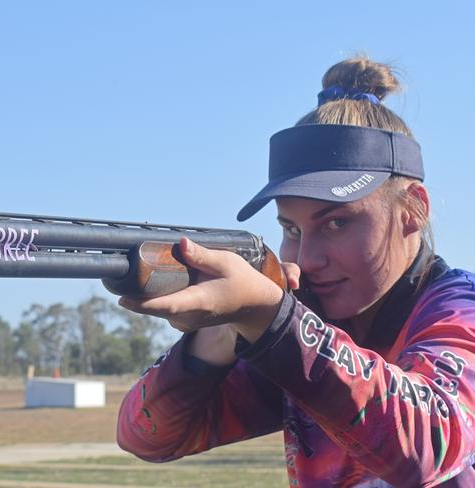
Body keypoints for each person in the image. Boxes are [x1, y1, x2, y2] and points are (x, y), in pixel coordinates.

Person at [115, 57, 475, 487]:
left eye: (337, 222)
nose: (307, 258)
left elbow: (428, 448)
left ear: (413, 210)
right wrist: (221, 335)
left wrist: (272, 318)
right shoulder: (305, 324)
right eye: (290, 227)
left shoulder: (458, 310)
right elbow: (148, 436)